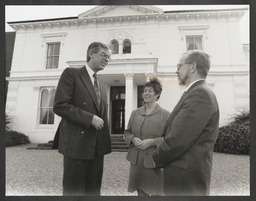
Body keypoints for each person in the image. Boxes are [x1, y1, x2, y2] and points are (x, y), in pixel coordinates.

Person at [152, 50, 220, 196]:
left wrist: (155, 158)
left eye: (179, 66)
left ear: (192, 67)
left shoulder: (200, 94)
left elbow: (178, 139)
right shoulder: (197, 92)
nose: (176, 70)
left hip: (186, 180)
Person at [53, 42, 112, 196]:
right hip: (76, 147)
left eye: (109, 57)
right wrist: (90, 118)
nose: (107, 59)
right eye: (103, 55)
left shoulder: (103, 84)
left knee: (93, 192)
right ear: (91, 53)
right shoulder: (71, 74)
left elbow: (103, 116)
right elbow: (60, 105)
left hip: (97, 150)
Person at [124, 77, 170, 196]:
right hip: (137, 162)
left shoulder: (166, 115)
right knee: (141, 193)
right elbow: (127, 132)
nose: (146, 93)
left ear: (157, 95)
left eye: (150, 91)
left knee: (157, 192)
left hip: (155, 162)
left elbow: (170, 139)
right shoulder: (135, 113)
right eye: (144, 91)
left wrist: (153, 142)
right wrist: (133, 139)